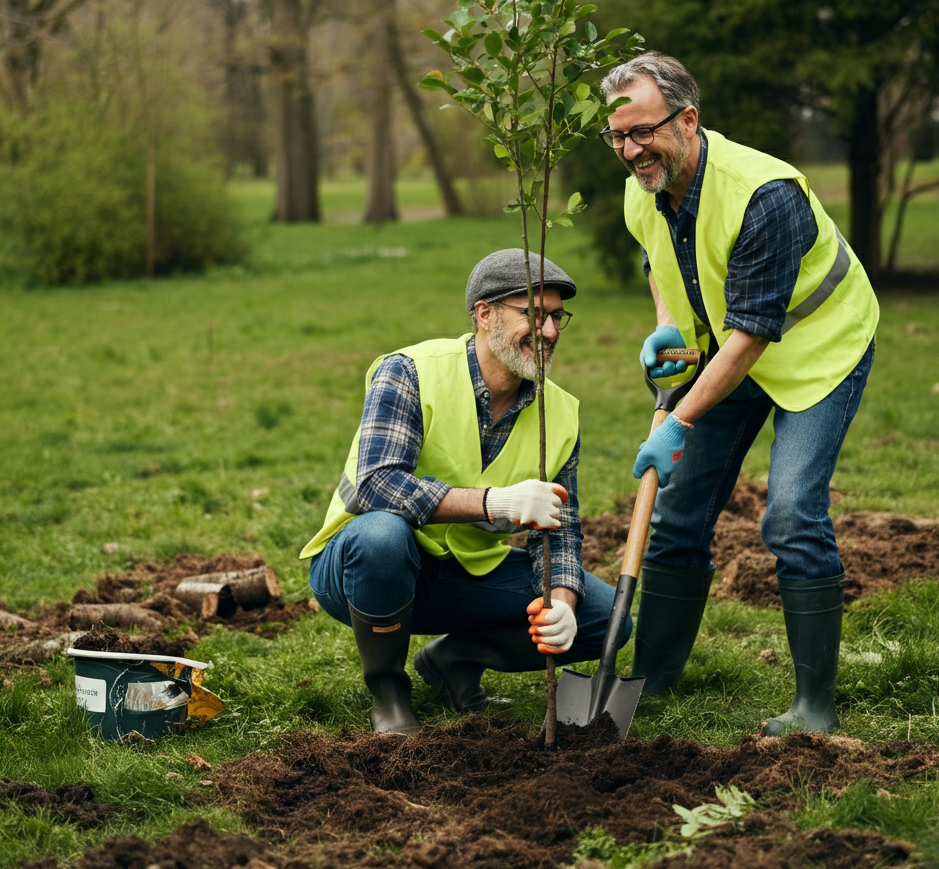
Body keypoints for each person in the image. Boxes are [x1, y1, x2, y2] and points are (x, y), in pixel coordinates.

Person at [599, 53, 878, 736]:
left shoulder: (763, 193)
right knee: (678, 510)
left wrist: (678, 419)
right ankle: (653, 678)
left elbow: (753, 335)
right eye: (619, 137)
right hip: (731, 351)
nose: (632, 150)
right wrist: (667, 328)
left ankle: (814, 706)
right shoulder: (645, 188)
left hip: (818, 349)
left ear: (687, 120)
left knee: (789, 514)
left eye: (644, 132)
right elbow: (658, 260)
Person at [300, 249, 627, 735]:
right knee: (383, 536)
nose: (552, 332)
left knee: (606, 617)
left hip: (462, 577)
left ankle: (453, 660)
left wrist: (562, 601)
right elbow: (375, 484)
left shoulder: (558, 414)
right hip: (362, 570)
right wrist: (496, 502)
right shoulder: (410, 371)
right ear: (484, 313)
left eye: (558, 317)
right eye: (534, 315)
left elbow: (561, 528)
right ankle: (388, 692)